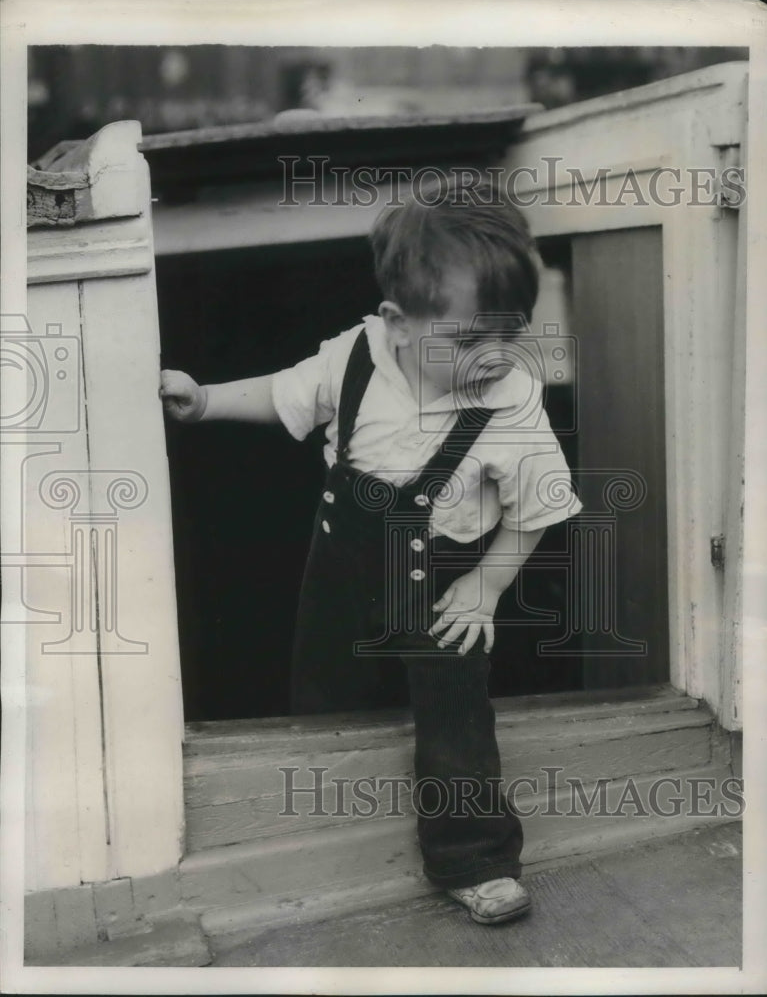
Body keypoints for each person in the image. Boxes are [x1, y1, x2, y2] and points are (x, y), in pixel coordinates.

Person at [160, 176, 582, 925]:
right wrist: (206, 400)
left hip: (443, 584)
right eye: (466, 341)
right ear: (397, 322)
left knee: (455, 719)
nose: (492, 358)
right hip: (340, 569)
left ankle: (473, 856)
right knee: (322, 695)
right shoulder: (353, 355)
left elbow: (537, 507)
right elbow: (283, 393)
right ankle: (314, 832)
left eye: (509, 336)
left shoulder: (509, 397)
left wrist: (484, 589)